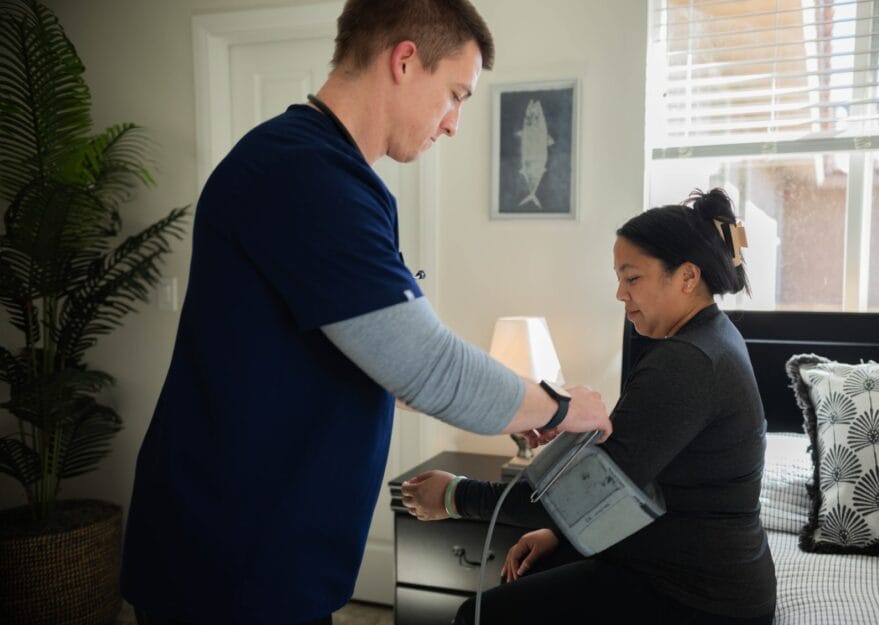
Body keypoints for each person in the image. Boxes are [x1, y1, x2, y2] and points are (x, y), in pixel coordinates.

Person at [121, 2, 611, 624]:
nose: (455, 123)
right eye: (456, 94)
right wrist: (561, 407)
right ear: (405, 61)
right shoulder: (304, 173)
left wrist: (515, 405)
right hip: (232, 553)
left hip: (267, 544)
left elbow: (375, 356)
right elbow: (423, 366)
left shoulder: (328, 173)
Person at [402, 188, 777, 625]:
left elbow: (584, 489)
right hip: (677, 565)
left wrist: (452, 496)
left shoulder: (689, 361)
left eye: (632, 277)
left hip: (698, 597)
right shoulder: (710, 338)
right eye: (619, 277)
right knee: (530, 568)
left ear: (687, 277)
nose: (620, 293)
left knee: (478, 615)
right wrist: (559, 535)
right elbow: (629, 473)